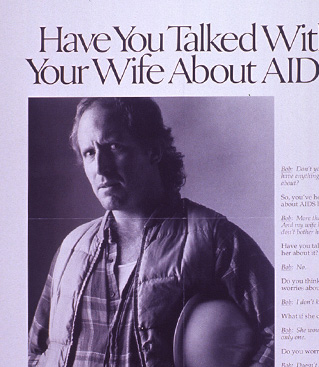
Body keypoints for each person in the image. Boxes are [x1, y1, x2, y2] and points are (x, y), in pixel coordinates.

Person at [28, 97, 274, 367]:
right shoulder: (71, 248)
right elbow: (33, 352)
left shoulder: (214, 238)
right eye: (89, 152)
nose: (101, 166)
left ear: (153, 150)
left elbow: (287, 332)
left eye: (114, 146)